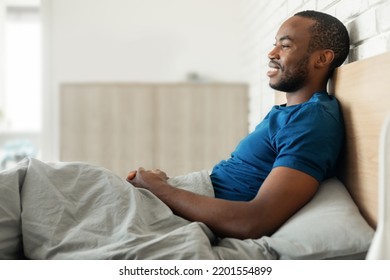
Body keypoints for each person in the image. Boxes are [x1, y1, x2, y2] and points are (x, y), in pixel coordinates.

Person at [127, 10, 350, 240]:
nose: (271, 53)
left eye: (285, 45)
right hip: (186, 196)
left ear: (322, 59)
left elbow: (253, 221)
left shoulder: (312, 122)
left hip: (185, 210)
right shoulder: (289, 112)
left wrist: (158, 187)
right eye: (275, 44)